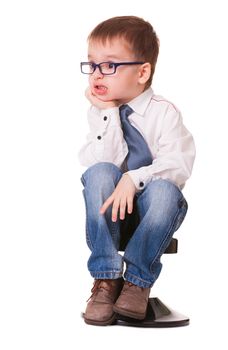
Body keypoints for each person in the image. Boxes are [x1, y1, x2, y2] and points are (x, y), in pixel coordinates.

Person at [79, 15, 196, 326]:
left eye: (109, 65)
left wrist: (134, 178)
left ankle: (138, 282)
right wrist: (108, 113)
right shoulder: (101, 114)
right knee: (99, 173)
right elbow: (100, 162)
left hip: (154, 212)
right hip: (112, 214)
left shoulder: (164, 113)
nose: (96, 74)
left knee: (162, 188)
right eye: (92, 64)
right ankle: (106, 280)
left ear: (142, 72)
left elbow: (178, 165)